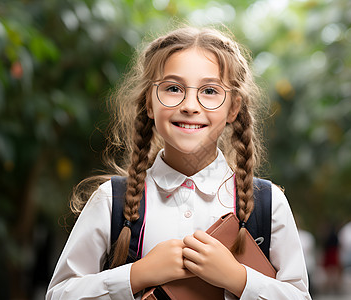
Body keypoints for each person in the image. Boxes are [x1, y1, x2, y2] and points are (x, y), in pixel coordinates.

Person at [46, 26, 310, 300]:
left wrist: (238, 279)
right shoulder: (112, 200)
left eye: (209, 91)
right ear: (149, 102)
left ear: (233, 108)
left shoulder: (268, 204)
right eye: (173, 88)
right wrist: (136, 274)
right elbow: (59, 294)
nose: (190, 105)